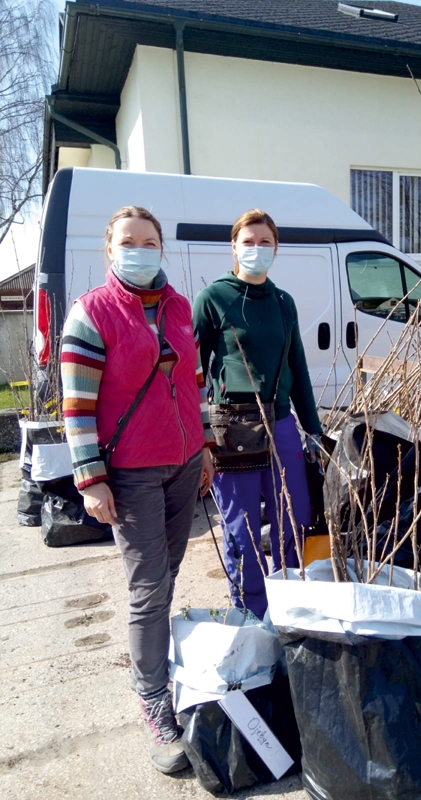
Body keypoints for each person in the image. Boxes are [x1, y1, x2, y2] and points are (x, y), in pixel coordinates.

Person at [60, 206, 214, 775]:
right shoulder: (91, 312)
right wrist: (91, 478)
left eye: (150, 242)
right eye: (129, 241)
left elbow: (193, 382)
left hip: (184, 464)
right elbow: (77, 406)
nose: (140, 250)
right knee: (149, 588)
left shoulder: (178, 307)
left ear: (161, 249)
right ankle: (152, 699)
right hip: (131, 473)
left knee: (165, 575)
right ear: (110, 249)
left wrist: (204, 447)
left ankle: (157, 667)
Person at [193, 208, 322, 619]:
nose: (256, 249)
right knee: (243, 530)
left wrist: (313, 430)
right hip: (233, 429)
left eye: (265, 242)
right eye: (248, 242)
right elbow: (192, 374)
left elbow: (298, 368)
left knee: (294, 519)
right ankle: (250, 616)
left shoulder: (284, 303)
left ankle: (292, 612)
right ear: (234, 247)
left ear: (276, 248)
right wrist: (201, 439)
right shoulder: (213, 299)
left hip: (281, 424)